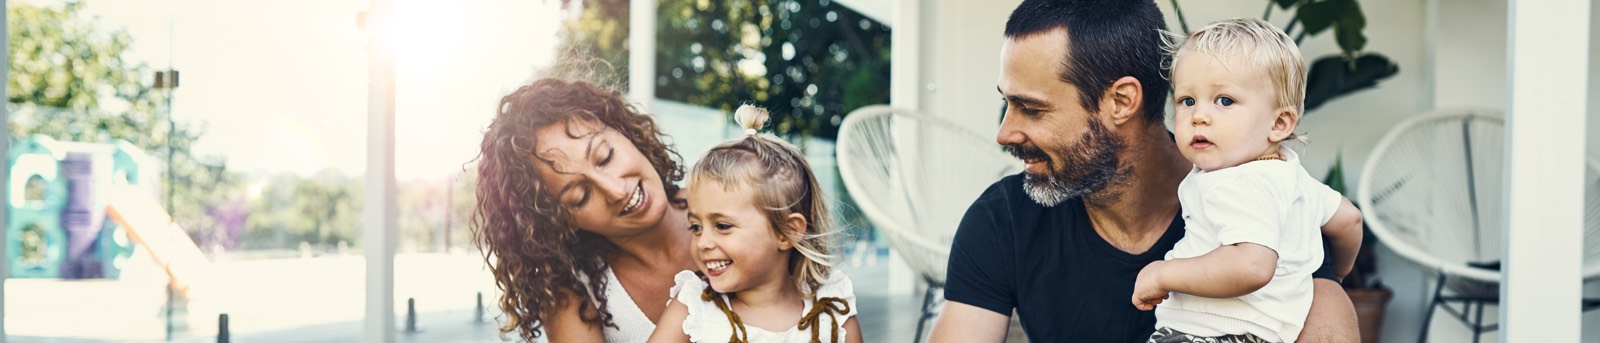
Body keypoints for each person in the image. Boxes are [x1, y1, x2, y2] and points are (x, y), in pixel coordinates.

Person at [927, 0, 1364, 342]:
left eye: (1031, 108)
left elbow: (1325, 306)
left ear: (1121, 101)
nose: (1004, 133)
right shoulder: (1003, 219)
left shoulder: (1263, 198)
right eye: (1007, 102)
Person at [1131, 18, 1364, 343]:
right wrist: (1337, 273)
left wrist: (1161, 274)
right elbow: (1350, 219)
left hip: (1212, 333)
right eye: (1187, 100)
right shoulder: (1291, 175)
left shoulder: (1238, 183)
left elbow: (1252, 266)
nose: (1199, 115)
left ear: (1280, 123)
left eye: (1224, 100)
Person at [473, 77, 699, 342]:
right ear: (559, 221)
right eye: (580, 197)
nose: (616, 191)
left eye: (606, 156)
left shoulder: (737, 201)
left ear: (624, 131)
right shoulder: (573, 297)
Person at [648, 104, 861, 343]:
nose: (703, 242)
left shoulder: (830, 309)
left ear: (787, 232)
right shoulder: (695, 308)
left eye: (722, 226)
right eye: (696, 227)